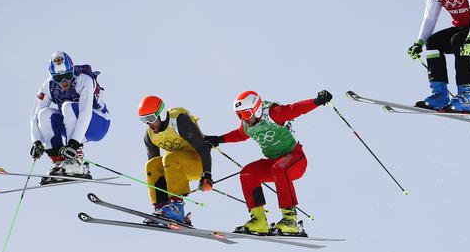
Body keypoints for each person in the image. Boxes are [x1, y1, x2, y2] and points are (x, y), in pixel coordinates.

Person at [204, 90, 332, 235]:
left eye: (246, 114)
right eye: (239, 115)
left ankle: (290, 220)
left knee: (279, 169)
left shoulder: (273, 114)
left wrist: (316, 101)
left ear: (256, 109)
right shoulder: (247, 125)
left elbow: (295, 109)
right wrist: (218, 139)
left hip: (295, 159)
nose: (244, 119)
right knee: (248, 173)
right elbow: (240, 134)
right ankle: (259, 221)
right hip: (273, 163)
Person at [29, 52, 110, 183]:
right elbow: (34, 116)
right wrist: (36, 141)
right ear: (52, 76)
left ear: (71, 70)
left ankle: (76, 160)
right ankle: (59, 162)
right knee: (44, 114)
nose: (64, 81)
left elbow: (85, 113)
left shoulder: (84, 80)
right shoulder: (48, 86)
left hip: (98, 124)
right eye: (58, 78)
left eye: (67, 76)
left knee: (67, 106)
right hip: (71, 126)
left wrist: (73, 144)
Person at [137, 95, 212, 225]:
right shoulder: (150, 136)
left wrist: (207, 175)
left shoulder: (178, 121)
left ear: (161, 114)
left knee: (170, 158)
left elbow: (203, 148)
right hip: (176, 168)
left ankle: (177, 208)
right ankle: (163, 209)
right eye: (144, 120)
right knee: (152, 165)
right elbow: (157, 170)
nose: (148, 124)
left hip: (196, 163)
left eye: (150, 118)